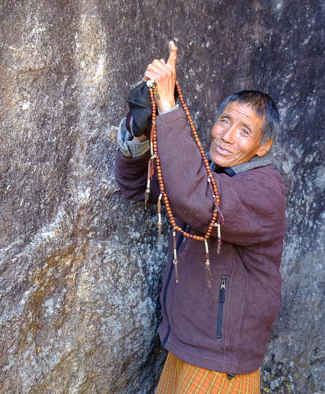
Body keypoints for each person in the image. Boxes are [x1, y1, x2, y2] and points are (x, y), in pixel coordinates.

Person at [114, 42, 286, 393]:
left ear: (263, 147)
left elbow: (197, 202)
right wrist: (139, 131)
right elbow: (139, 186)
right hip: (188, 346)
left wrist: (168, 106)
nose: (227, 136)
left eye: (245, 131)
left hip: (220, 362)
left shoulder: (263, 191)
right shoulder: (212, 174)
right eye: (225, 121)